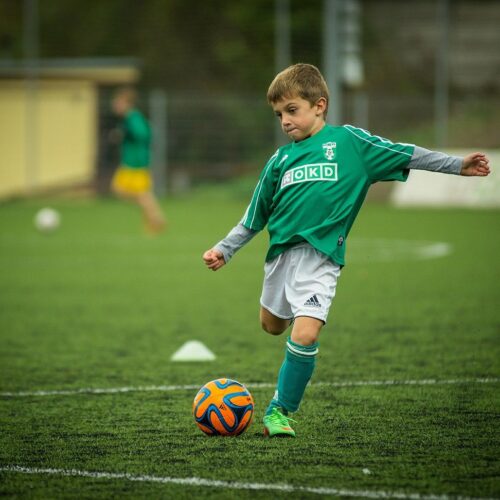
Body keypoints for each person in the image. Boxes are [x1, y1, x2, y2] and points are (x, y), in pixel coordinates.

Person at [202, 63, 490, 438]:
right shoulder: (279, 161)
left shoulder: (351, 144)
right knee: (272, 326)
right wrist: (225, 250)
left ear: (319, 105)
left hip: (322, 260)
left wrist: (456, 165)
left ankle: (279, 410)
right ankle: (294, 319)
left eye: (292, 110)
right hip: (280, 260)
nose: (285, 121)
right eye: (278, 115)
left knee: (304, 335)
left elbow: (406, 153)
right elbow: (254, 217)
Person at [110, 87, 166, 233]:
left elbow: (144, 133)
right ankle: (155, 217)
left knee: (132, 192)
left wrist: (126, 134)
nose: (115, 105)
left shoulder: (132, 117)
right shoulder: (129, 119)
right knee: (129, 192)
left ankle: (155, 218)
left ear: (126, 103)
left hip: (135, 162)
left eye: (118, 102)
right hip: (131, 162)